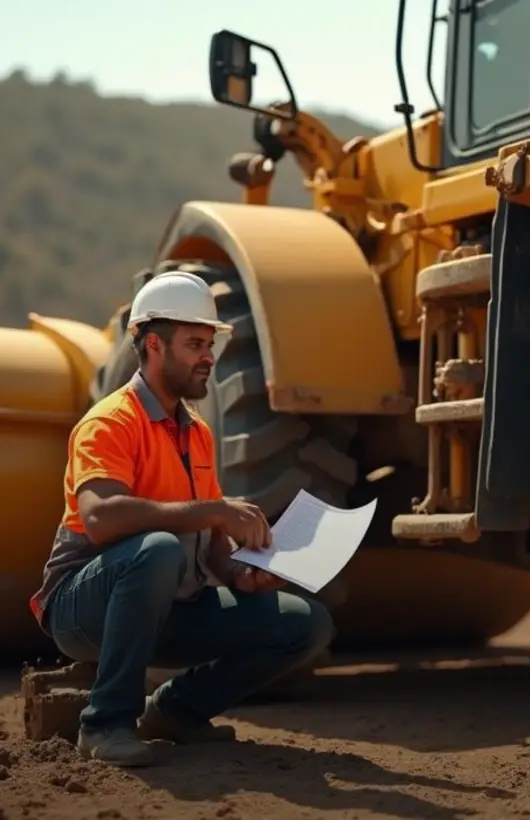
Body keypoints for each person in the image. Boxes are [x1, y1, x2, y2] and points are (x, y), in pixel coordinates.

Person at [27, 270, 336, 767]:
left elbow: (210, 542)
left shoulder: (196, 433)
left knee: (306, 624)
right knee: (158, 549)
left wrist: (240, 573)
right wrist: (216, 510)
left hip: (168, 606)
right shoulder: (110, 421)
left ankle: (175, 712)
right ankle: (105, 725)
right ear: (153, 345)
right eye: (195, 343)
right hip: (83, 611)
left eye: (210, 344)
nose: (209, 357)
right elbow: (101, 518)